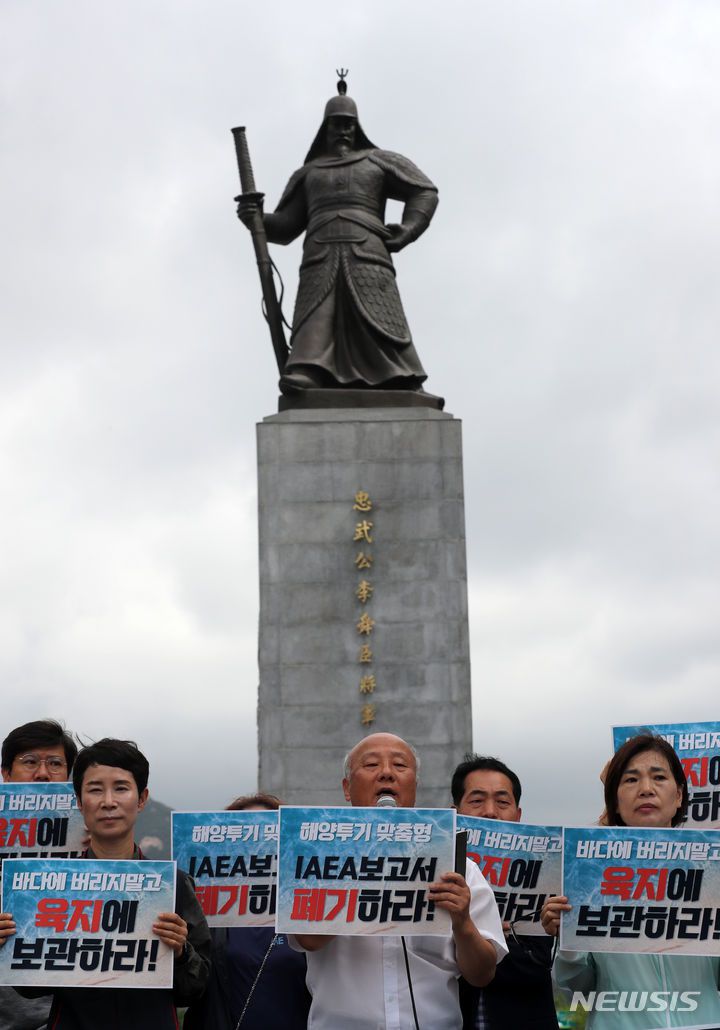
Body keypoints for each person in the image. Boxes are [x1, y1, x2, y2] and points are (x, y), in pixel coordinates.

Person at [289, 732, 507, 1030]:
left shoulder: (459, 866)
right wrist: (365, 868)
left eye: (400, 766)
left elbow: (482, 974)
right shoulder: (317, 858)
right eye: (371, 765)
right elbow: (307, 939)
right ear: (347, 789)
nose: (387, 773)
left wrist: (462, 922)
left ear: (414, 787)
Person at [237, 77, 439, 397]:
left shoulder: (379, 161)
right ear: (325, 129)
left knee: (379, 315)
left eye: (349, 124)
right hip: (320, 252)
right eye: (336, 125)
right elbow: (287, 225)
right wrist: (256, 219)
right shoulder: (309, 173)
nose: (343, 130)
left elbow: (424, 191)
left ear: (358, 128)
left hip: (368, 249)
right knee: (317, 313)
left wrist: (409, 228)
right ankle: (308, 369)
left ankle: (398, 375)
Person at [0, 738, 212, 1030]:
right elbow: (31, 989)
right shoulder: (50, 884)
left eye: (121, 788)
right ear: (78, 801)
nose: (108, 801)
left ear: (142, 798)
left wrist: (180, 952)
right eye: (95, 789)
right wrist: (9, 945)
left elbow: (195, 988)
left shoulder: (173, 882)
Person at [541, 733, 720, 1029]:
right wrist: (569, 939)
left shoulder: (711, 870)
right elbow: (575, 991)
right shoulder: (586, 873)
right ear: (614, 800)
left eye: (659, 777)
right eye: (631, 779)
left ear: (679, 796)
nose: (646, 789)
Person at [185, 792, 311, 1030]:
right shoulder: (204, 913)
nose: (258, 841)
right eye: (244, 832)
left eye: (268, 831)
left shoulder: (306, 908)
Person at [452, 755, 559, 1030]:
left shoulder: (543, 868)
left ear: (518, 814)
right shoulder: (439, 873)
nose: (490, 812)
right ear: (454, 811)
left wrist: (486, 938)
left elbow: (538, 963)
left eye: (502, 802)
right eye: (477, 801)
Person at [0, 719, 78, 1030]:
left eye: (56, 763)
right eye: (30, 761)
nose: (43, 773)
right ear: (6, 774)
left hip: (67, 1016)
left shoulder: (95, 843)